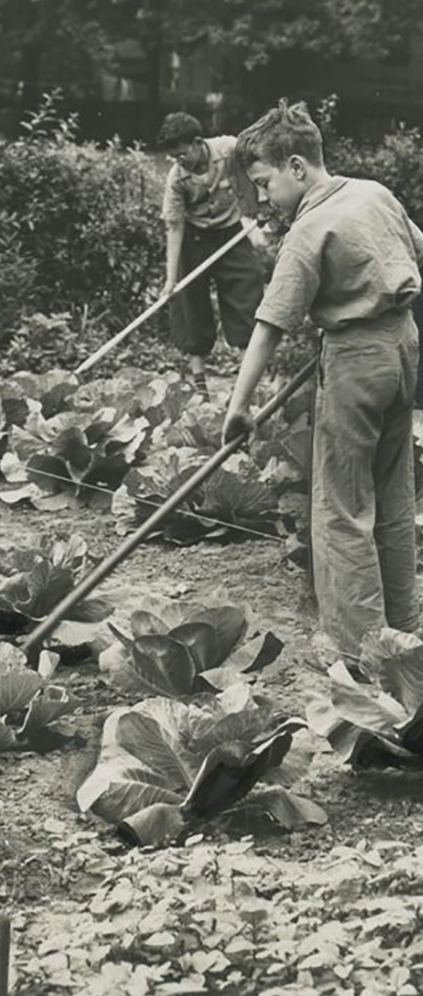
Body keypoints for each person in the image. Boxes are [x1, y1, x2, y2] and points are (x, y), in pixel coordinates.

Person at [222, 100, 421, 653]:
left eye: (264, 184)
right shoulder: (374, 193)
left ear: (296, 167)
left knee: (342, 509)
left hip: (357, 362)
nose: (263, 198)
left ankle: (363, 650)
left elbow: (269, 324)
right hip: (403, 350)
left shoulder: (309, 228)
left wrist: (238, 407)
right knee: (392, 495)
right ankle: (405, 632)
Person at [157, 111, 266, 393]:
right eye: (173, 158)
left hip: (231, 231)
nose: (178, 162)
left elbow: (258, 164)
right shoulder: (177, 179)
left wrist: (261, 204)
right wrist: (171, 280)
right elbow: (174, 226)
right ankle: (200, 381)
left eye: (182, 155)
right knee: (191, 302)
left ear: (197, 143)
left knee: (247, 288)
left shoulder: (229, 149)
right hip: (194, 238)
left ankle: (248, 375)